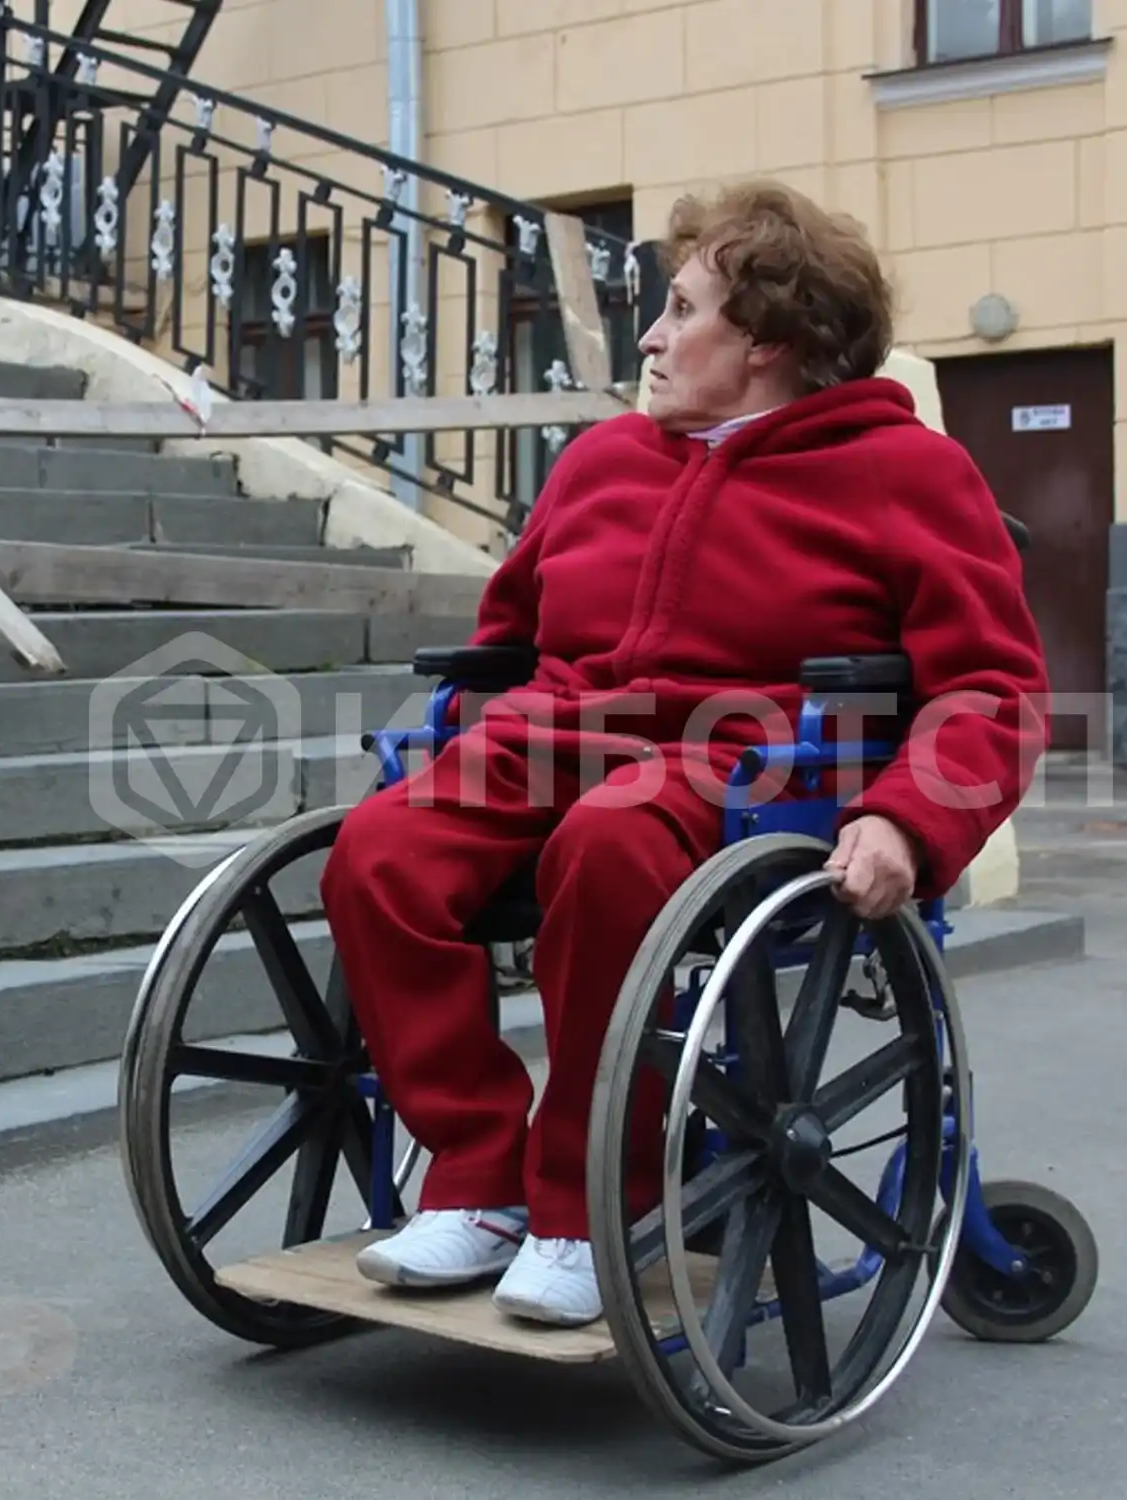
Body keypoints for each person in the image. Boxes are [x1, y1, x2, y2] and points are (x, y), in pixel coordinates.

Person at [319, 179, 1049, 1328]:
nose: (651, 340)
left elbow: (993, 689)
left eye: (680, 310)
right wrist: (474, 732)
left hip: (759, 761)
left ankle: (584, 1204)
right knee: (380, 849)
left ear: (768, 341)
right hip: (563, 729)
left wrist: (909, 818)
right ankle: (478, 1174)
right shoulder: (605, 460)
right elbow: (510, 637)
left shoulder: (904, 473)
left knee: (609, 846)